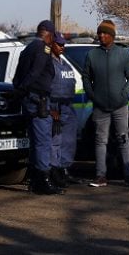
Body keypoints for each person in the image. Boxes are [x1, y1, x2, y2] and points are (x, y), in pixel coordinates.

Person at [80, 19, 129, 188]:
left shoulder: (123, 53)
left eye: (105, 33)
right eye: (99, 33)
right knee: (100, 140)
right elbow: (86, 77)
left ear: (112, 36)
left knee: (123, 138)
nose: (101, 36)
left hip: (120, 105)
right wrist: (92, 95)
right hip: (100, 106)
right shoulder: (92, 55)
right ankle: (100, 176)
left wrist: (124, 93)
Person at [12, 20, 63, 195]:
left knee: (35, 141)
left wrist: (19, 90)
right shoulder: (43, 48)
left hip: (29, 99)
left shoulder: (27, 48)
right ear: (48, 34)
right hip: (38, 99)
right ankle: (43, 180)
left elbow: (18, 74)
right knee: (43, 141)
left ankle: (35, 180)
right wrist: (24, 89)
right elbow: (35, 73)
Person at [48, 33, 80, 188]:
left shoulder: (64, 63)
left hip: (67, 105)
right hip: (54, 106)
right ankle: (54, 172)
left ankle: (64, 169)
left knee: (68, 140)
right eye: (59, 44)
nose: (62, 47)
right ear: (51, 44)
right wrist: (49, 108)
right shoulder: (48, 63)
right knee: (55, 140)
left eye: (63, 44)